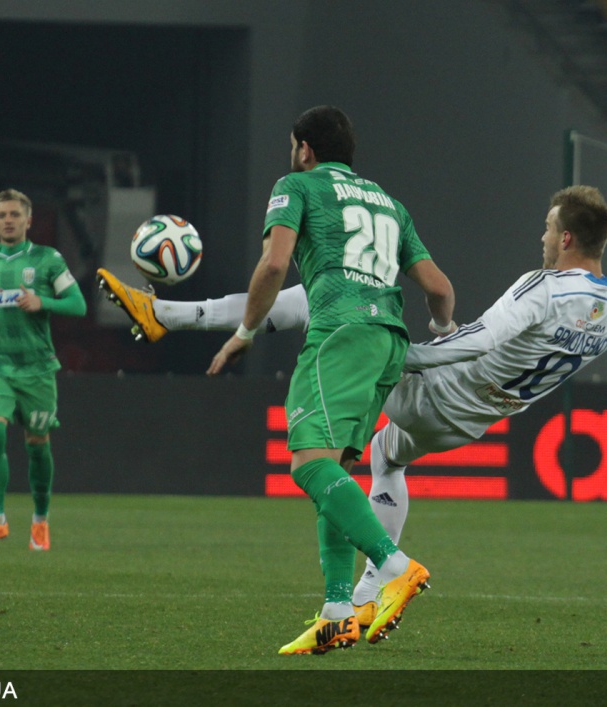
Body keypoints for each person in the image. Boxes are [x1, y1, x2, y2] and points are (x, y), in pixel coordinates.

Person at [97, 184, 607, 642]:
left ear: (567, 239)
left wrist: (395, 348)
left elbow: (478, 340)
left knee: (318, 300)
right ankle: (361, 597)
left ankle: (168, 315)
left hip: (435, 389)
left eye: (548, 228)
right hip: (473, 420)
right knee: (383, 455)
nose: (543, 237)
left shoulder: (546, 287)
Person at [100, 106, 455, 655]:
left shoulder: (297, 186)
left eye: (294, 146)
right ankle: (337, 612)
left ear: (305, 149)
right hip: (388, 339)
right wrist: (443, 330)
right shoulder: (389, 203)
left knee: (308, 465)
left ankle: (395, 566)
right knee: (334, 473)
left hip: (340, 335)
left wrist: (244, 333)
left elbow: (273, 265)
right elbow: (438, 287)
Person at [0, 189, 87, 551]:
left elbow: (78, 304)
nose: (8, 220)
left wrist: (42, 302)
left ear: (28, 220)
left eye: (15, 214)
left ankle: (40, 520)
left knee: (37, 445)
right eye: (2, 215)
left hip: (36, 370)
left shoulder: (48, 259)